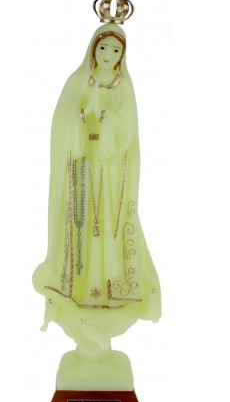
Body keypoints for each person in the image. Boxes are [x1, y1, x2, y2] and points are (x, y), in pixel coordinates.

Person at [33, 23, 161, 360]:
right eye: (103, 47)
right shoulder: (79, 81)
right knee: (81, 230)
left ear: (122, 56)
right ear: (93, 48)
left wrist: (106, 122)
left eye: (116, 50)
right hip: (82, 170)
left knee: (107, 232)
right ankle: (78, 293)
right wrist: (77, 122)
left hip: (109, 173)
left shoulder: (124, 86)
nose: (108, 55)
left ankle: (107, 293)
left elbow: (129, 131)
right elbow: (61, 123)